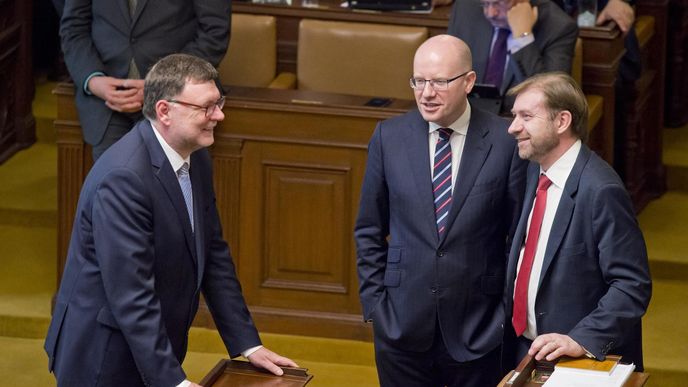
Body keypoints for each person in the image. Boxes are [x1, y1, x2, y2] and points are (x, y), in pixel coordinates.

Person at [44, 54, 297, 387]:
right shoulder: (125, 179)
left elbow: (214, 255)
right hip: (103, 355)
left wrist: (248, 344)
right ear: (164, 111)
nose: (219, 115)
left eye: (219, 102)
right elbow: (131, 295)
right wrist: (172, 381)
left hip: (150, 345)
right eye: (207, 107)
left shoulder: (196, 157)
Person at [354, 34, 527, 387]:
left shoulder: (505, 141)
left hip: (479, 330)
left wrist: (503, 314)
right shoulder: (389, 136)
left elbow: (520, 237)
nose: (426, 93)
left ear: (469, 82)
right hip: (400, 327)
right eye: (418, 81)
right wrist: (376, 305)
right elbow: (369, 229)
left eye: (438, 82)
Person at [503, 72, 651, 370]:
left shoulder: (601, 189)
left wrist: (581, 339)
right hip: (527, 352)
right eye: (514, 116)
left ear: (562, 122)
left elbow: (631, 286)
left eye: (526, 116)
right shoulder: (535, 170)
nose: (513, 128)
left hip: (578, 361)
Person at [59, 0, 231, 160]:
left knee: (172, 187)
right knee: (112, 185)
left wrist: (164, 84)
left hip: (177, 99)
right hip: (106, 100)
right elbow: (74, 28)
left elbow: (214, 31)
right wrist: (93, 80)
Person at [447, 0, 577, 112]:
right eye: (485, 3)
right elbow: (448, 71)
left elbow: (551, 99)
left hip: (517, 122)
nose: (491, 13)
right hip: (466, 114)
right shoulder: (464, 9)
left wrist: (523, 38)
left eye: (499, 3)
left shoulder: (558, 27)